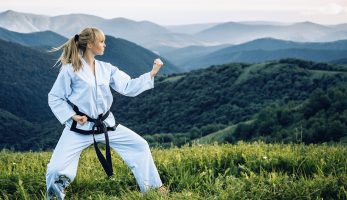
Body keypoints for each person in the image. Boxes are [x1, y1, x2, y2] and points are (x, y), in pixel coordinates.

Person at [46, 27, 166, 200]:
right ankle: (55, 198)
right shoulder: (70, 69)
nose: (104, 45)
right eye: (101, 41)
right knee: (56, 170)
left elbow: (128, 87)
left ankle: (153, 190)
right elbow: (55, 97)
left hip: (105, 124)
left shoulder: (106, 68)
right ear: (89, 44)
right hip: (79, 128)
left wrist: (152, 73)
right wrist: (72, 116)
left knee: (140, 146)